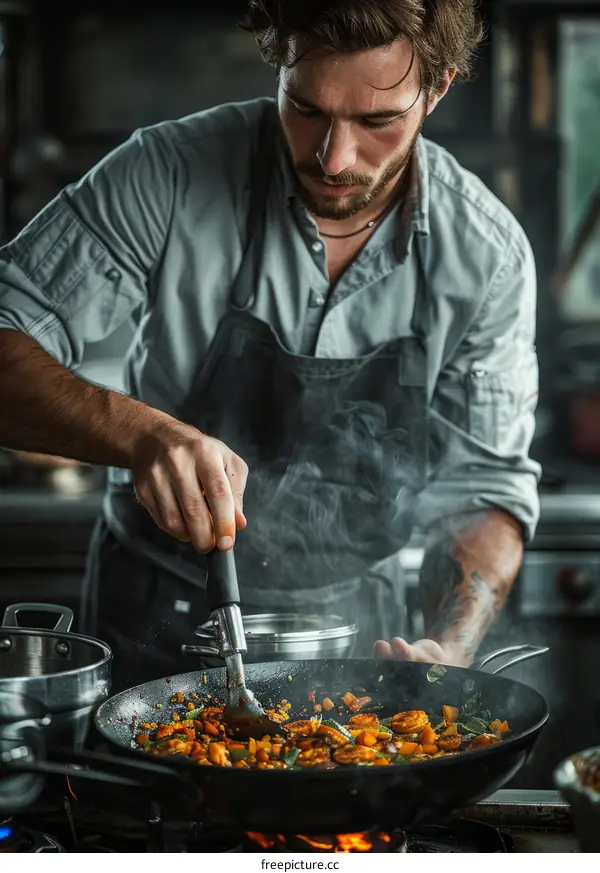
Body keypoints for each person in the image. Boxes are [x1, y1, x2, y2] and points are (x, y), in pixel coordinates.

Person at [0, 0, 540, 690]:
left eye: (378, 121)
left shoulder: (486, 257)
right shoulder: (164, 173)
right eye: (306, 107)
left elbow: (484, 487)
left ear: (437, 89)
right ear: (279, 62)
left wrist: (450, 648)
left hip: (359, 638)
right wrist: (140, 435)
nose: (333, 158)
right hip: (154, 618)